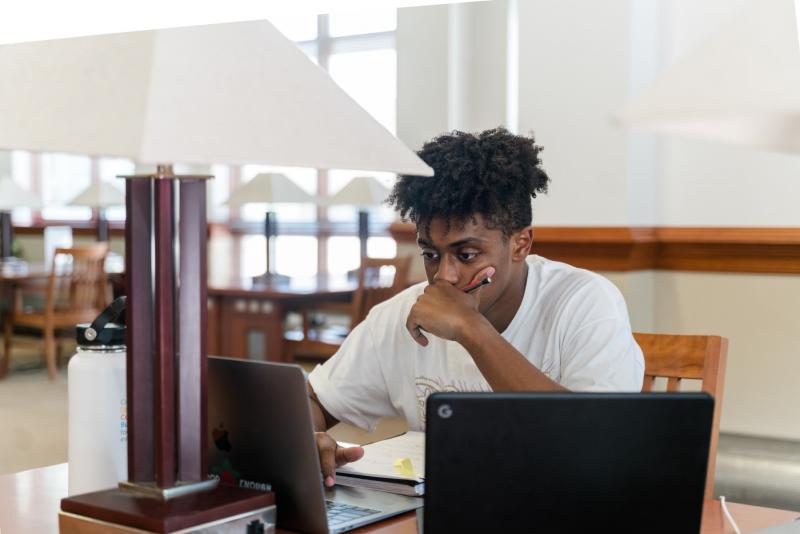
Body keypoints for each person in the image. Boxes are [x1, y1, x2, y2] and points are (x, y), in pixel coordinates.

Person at [307, 127, 644, 487]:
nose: (445, 276)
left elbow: (592, 444)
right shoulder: (401, 313)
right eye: (431, 254)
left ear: (520, 244)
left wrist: (472, 329)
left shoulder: (586, 302)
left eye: (466, 255)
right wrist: (309, 438)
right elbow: (314, 399)